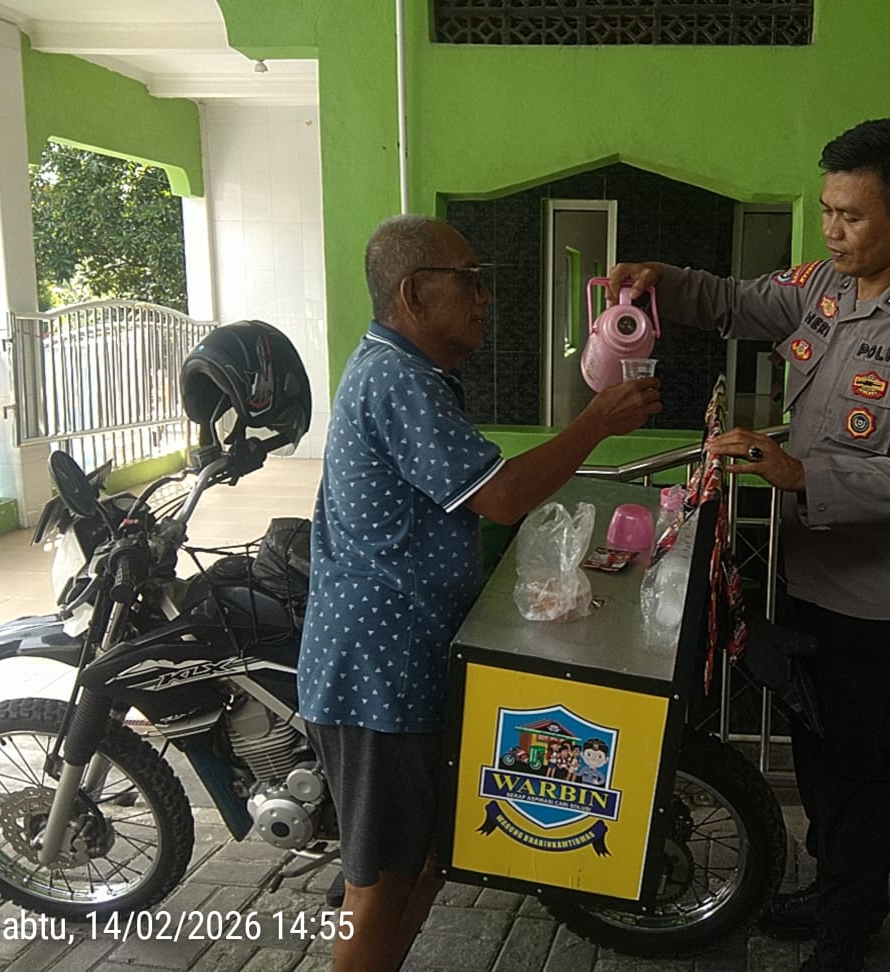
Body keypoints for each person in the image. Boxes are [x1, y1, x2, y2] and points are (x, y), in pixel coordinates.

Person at [606, 119, 890, 972]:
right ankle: (835, 893)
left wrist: (802, 475)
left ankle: (848, 933)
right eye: (826, 209)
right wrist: (660, 280)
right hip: (807, 581)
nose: (830, 230)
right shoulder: (826, 284)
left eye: (850, 216)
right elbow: (739, 302)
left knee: (863, 779)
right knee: (820, 766)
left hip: (878, 607)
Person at [299, 214, 662, 972]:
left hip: (410, 664)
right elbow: (500, 497)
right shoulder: (397, 379)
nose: (484, 298)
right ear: (413, 293)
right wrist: (595, 422)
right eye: (469, 281)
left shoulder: (417, 373)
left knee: (428, 858)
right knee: (379, 882)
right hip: (379, 676)